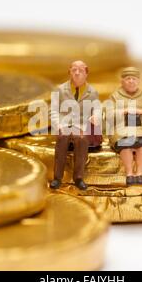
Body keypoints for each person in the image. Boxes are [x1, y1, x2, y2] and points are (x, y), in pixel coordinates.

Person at [49, 60, 101, 190]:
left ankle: (78, 177)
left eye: (81, 70)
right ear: (69, 72)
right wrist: (58, 124)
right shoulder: (60, 90)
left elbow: (98, 108)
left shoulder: (92, 92)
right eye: (74, 70)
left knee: (82, 139)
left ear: (86, 73)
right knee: (62, 139)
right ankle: (57, 177)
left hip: (81, 126)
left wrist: (96, 116)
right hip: (64, 124)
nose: (77, 73)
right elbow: (53, 110)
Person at [108, 67, 142, 185]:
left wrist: (141, 111)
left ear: (138, 81)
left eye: (134, 79)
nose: (131, 81)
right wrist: (124, 111)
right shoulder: (115, 96)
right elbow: (108, 114)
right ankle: (129, 173)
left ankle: (139, 173)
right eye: (128, 79)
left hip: (141, 128)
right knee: (126, 145)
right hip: (122, 128)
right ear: (122, 81)